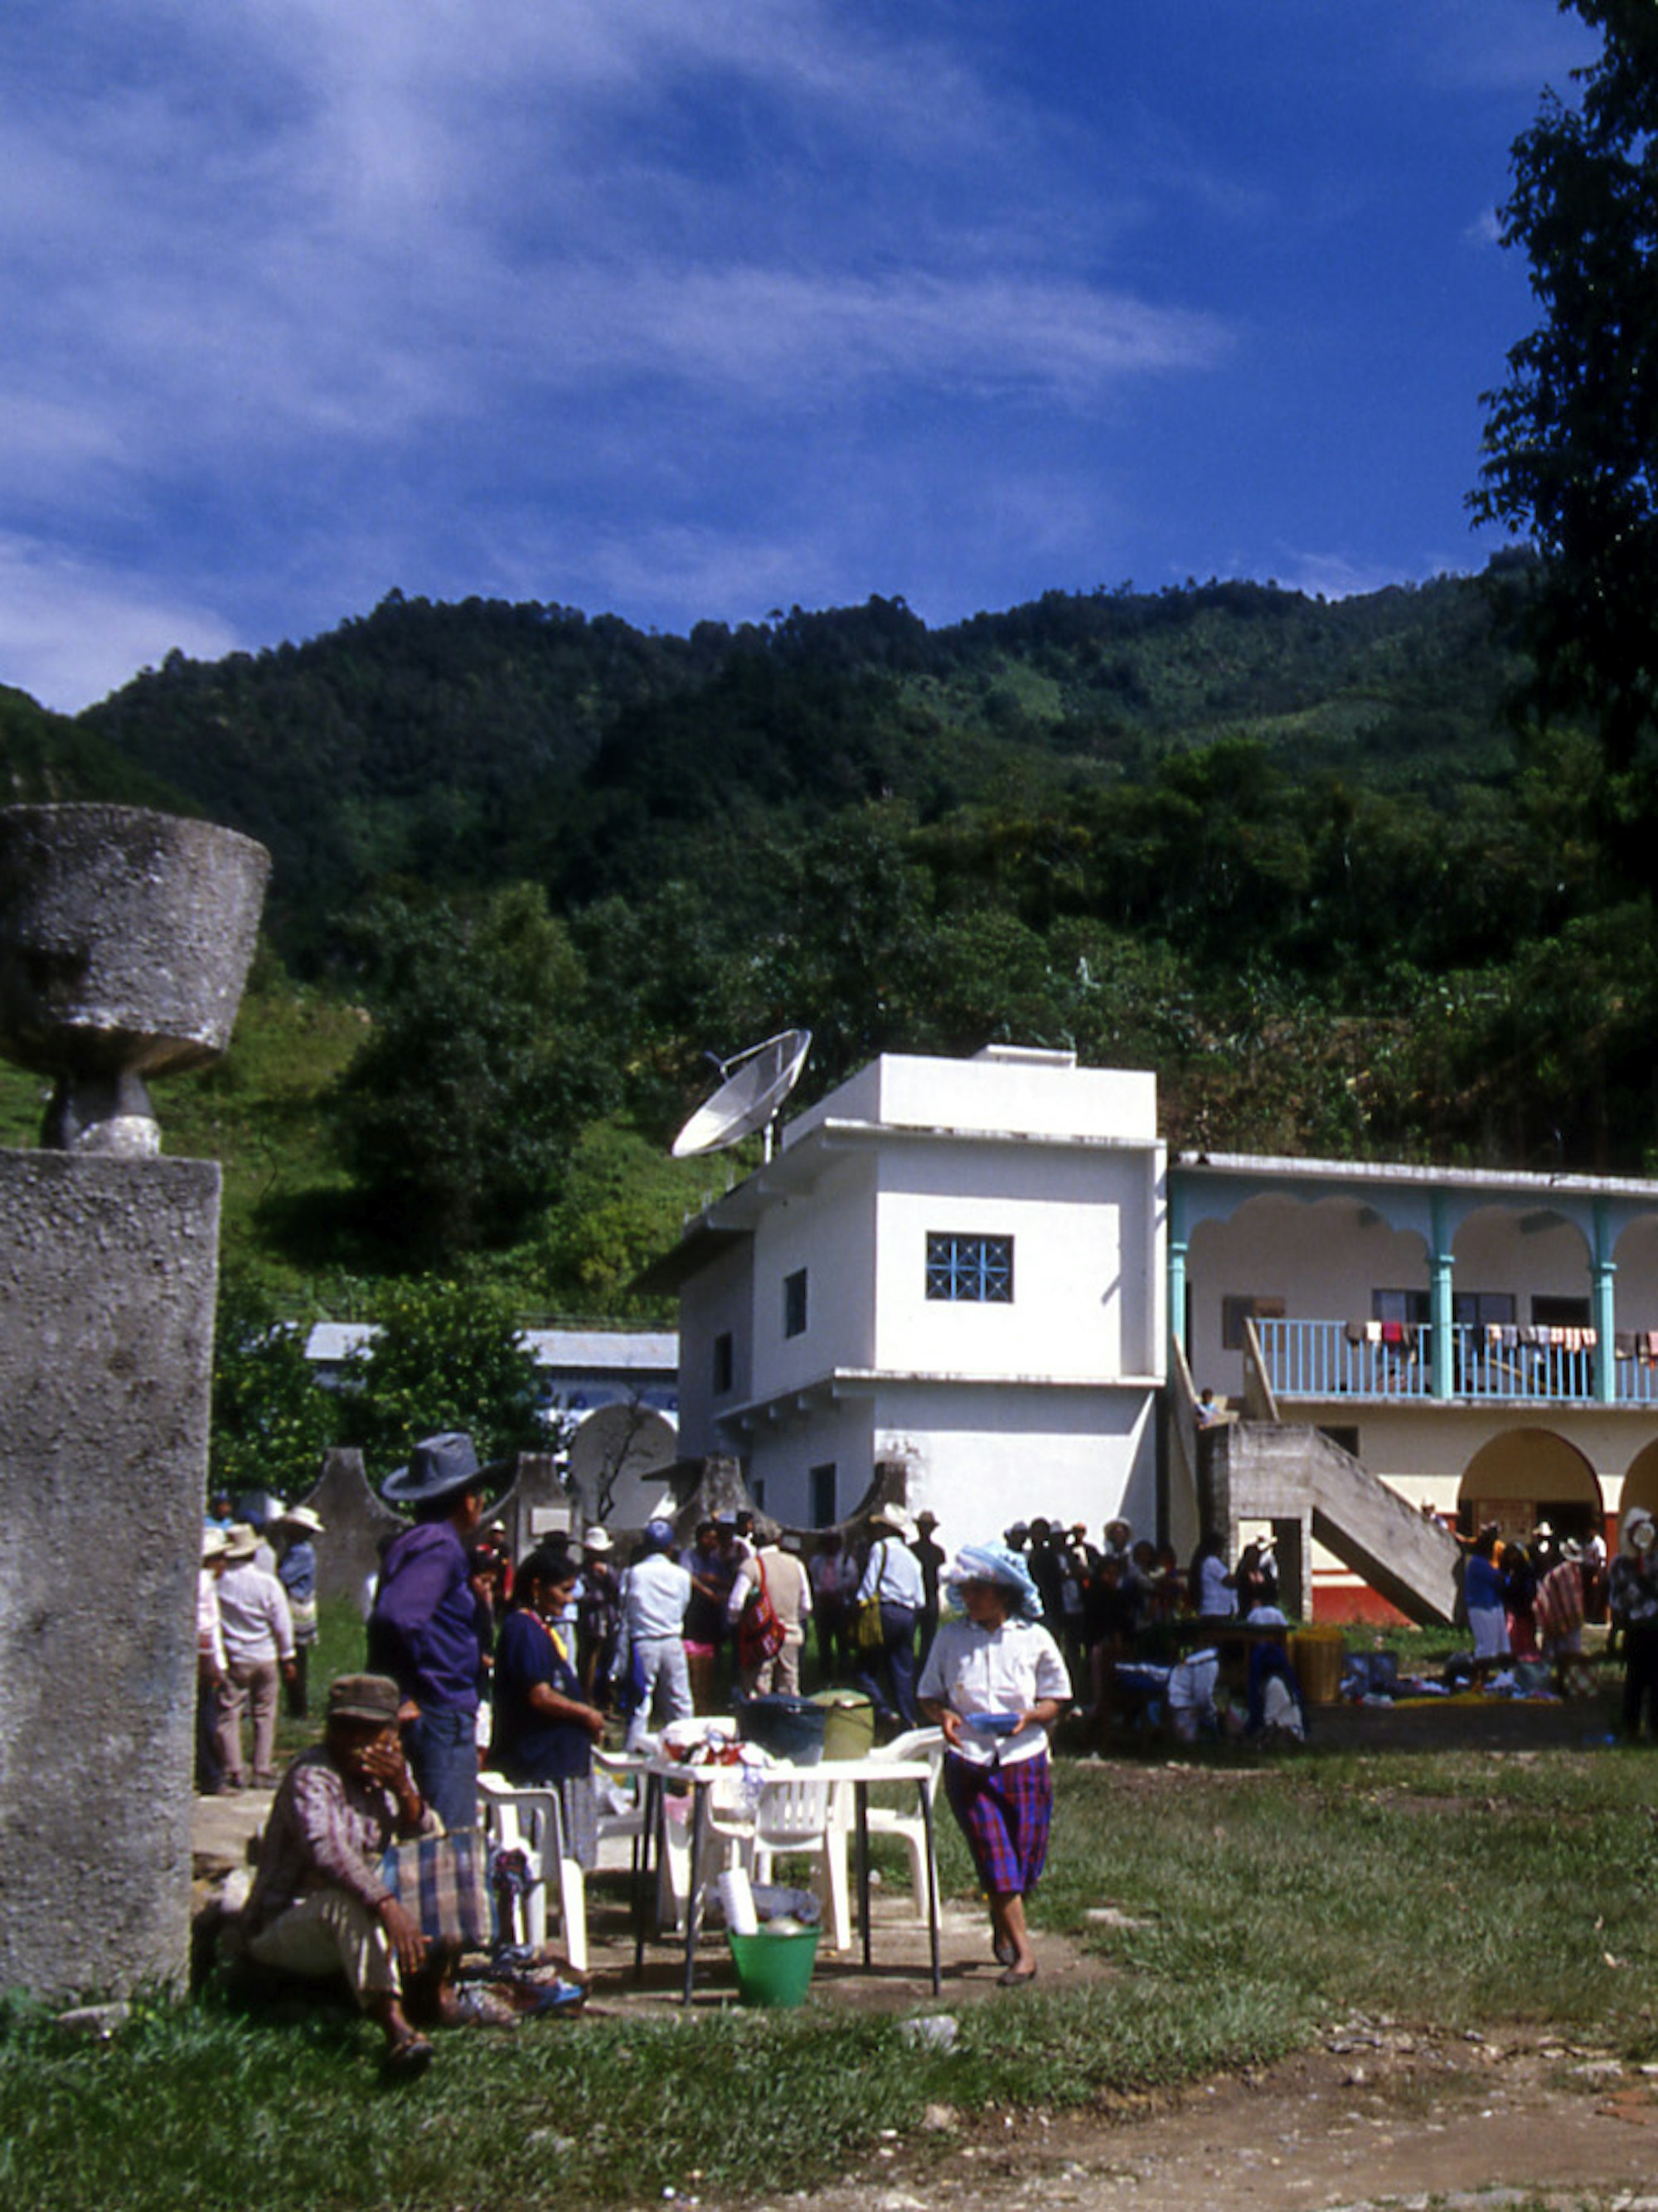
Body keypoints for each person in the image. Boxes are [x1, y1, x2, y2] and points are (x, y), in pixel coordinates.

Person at [240, 1673, 448, 2075]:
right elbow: (327, 1850)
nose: (355, 1741)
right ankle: (396, 2029)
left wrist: (404, 1790)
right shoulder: (312, 1775)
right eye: (344, 1727)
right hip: (287, 1922)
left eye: (369, 1731)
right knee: (346, 1905)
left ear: (392, 1734)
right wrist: (386, 1905)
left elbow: (428, 1839)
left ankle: (440, 1993)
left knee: (437, 1882)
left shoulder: (390, 1776)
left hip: (365, 1918)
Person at [919, 1542, 1069, 1986]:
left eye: (978, 1590)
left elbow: (1057, 1697)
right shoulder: (950, 1639)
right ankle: (1025, 1955)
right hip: (970, 1761)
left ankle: (1002, 1920)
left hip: (1023, 1757)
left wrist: (1030, 1716)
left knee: (1024, 1856)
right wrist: (944, 1716)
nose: (969, 1597)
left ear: (1002, 1593)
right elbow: (929, 1695)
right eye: (965, 1589)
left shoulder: (1033, 1638)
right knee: (993, 1851)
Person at [371, 1431, 502, 1835]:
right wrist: (403, 1694)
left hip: (436, 1706)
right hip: (440, 1709)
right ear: (468, 1501)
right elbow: (396, 1618)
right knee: (447, 1836)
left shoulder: (419, 1543)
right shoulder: (440, 1548)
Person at [489, 1548, 608, 1876]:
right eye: (563, 1590)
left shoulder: (540, 1628)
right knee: (539, 1858)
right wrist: (585, 1714)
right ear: (537, 1587)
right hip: (538, 1762)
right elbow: (539, 1696)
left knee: (566, 1863)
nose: (569, 1600)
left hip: (559, 1761)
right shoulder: (521, 1630)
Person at [216, 1521, 298, 1788]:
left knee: (229, 1714)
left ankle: (234, 1769)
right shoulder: (267, 1583)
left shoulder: (219, 1584)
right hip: (264, 1655)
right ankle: (262, 1768)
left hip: (235, 1655)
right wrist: (287, 1655)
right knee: (264, 1713)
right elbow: (281, 1623)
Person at [613, 1518, 694, 1752]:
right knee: (679, 1698)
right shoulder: (681, 1575)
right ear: (670, 1547)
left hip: (643, 1640)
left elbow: (624, 1606)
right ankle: (686, 1747)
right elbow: (684, 1603)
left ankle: (633, 1749)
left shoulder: (633, 1573)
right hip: (672, 1639)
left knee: (640, 1698)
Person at [855, 1505, 925, 1730]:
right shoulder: (913, 1559)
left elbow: (869, 1583)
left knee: (865, 1669)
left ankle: (883, 1710)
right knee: (902, 1670)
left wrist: (859, 1604)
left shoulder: (881, 1548)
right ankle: (908, 1717)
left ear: (887, 1529)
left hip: (885, 1610)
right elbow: (920, 1599)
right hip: (908, 1614)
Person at [728, 1528, 812, 1695]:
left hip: (760, 1638)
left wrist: (739, 1623)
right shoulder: (796, 1564)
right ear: (779, 1539)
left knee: (758, 1689)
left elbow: (735, 1605)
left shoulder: (751, 1566)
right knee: (789, 1688)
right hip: (789, 1635)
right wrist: (791, 1619)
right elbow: (806, 1606)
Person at [1609, 1506, 1658, 1741]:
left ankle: (1654, 1728)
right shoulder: (1620, 1564)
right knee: (1635, 1681)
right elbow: (1617, 1600)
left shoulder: (1655, 1561)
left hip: (1655, 1627)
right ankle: (1631, 1728)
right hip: (1636, 1628)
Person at [274, 1504, 325, 1720]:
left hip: (296, 1606)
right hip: (299, 1604)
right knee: (296, 1654)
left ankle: (297, 1705)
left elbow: (284, 1577)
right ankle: (296, 1703)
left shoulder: (300, 1552)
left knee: (294, 1654)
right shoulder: (297, 1549)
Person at [681, 1520, 737, 1713]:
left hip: (712, 1612)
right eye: (709, 1538)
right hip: (694, 1609)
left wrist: (714, 1581)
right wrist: (708, 1591)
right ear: (700, 1539)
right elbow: (690, 1578)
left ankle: (709, 1694)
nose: (713, 1542)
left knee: (712, 1655)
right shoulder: (689, 1556)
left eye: (715, 1539)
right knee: (692, 1654)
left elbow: (726, 1581)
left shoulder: (715, 1560)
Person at [196, 1526, 230, 1794]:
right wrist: (213, 1665)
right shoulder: (204, 1583)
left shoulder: (202, 1581)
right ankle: (211, 1776)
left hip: (204, 1659)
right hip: (204, 1662)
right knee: (207, 1720)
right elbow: (205, 1627)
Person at [575, 1527, 622, 1705]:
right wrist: (598, 1597)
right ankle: (587, 1698)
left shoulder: (611, 1570)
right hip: (590, 1623)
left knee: (609, 1661)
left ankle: (606, 1700)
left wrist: (607, 1575)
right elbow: (579, 1595)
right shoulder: (581, 1572)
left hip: (609, 1621)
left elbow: (619, 1590)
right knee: (588, 1663)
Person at [1462, 1526, 1509, 1684]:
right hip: (1481, 1607)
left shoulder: (1484, 1563)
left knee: (1497, 1645)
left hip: (1491, 1606)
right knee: (1486, 1646)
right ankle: (1477, 1679)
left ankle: (1486, 1678)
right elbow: (1497, 1579)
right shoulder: (1478, 1564)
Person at [809, 1532, 854, 1677]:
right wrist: (821, 1591)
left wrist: (837, 1589)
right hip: (823, 1606)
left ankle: (844, 1672)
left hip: (841, 1606)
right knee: (824, 1642)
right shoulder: (817, 1561)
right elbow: (813, 1580)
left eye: (834, 1542)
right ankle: (825, 1673)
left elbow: (852, 1579)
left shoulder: (846, 1560)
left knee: (843, 1642)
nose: (831, 1546)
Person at [912, 1510, 947, 1655]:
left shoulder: (936, 1551)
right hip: (919, 1595)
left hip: (928, 1595)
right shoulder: (913, 1550)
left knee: (927, 1638)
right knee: (923, 1637)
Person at [1189, 1531, 1234, 1621]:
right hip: (1216, 1611)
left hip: (1211, 1610)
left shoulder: (1204, 1562)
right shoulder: (1212, 1562)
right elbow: (1229, 1581)